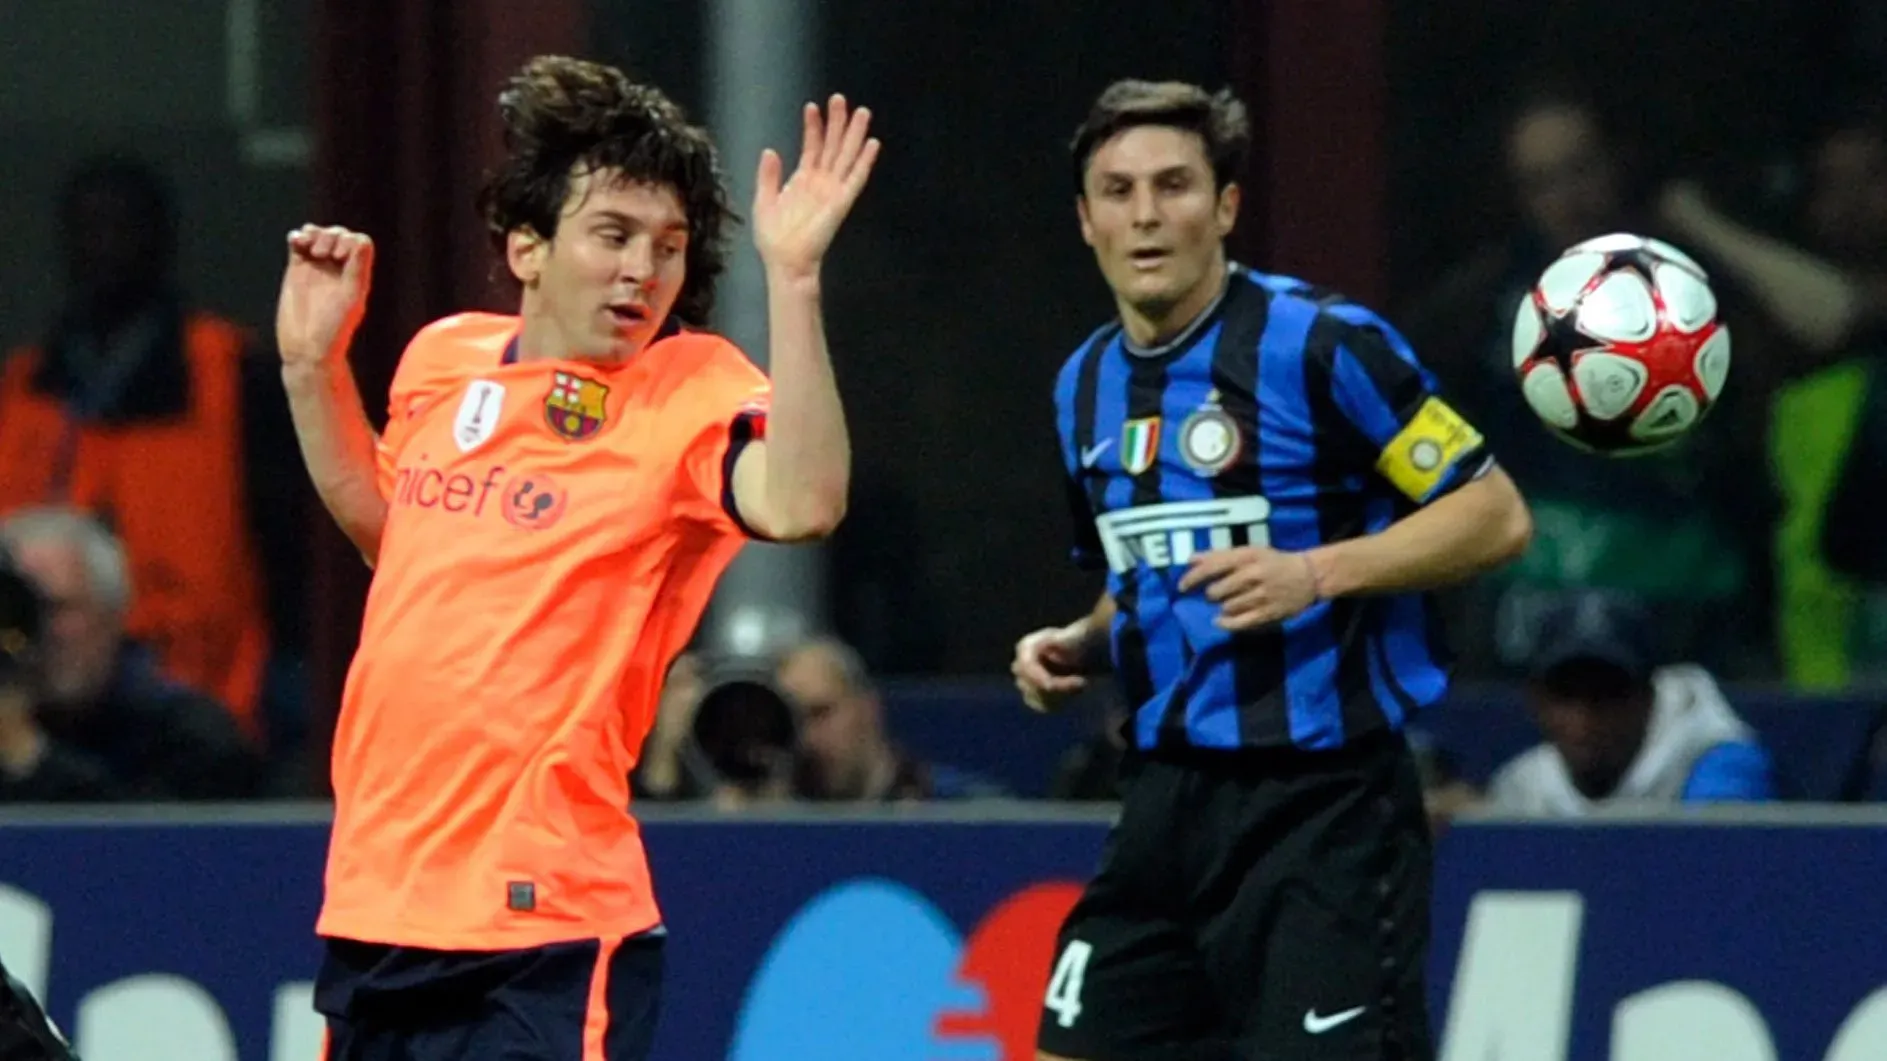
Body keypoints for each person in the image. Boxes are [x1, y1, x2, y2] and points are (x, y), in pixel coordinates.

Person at [275, 56, 878, 1060]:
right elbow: (399, 539)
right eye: (614, 234)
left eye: (670, 246)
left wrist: (797, 276)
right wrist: (310, 369)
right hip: (379, 896)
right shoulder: (444, 357)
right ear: (527, 246)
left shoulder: (686, 389)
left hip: (544, 922)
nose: (644, 269)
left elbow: (805, 500)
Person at [1011, 80, 1534, 1061]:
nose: (1147, 213)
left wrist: (1318, 572)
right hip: (1165, 801)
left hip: (1326, 806)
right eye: (1118, 191)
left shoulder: (1324, 344)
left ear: (1226, 206)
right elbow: (1147, 567)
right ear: (1086, 221)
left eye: (1174, 185)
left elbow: (1495, 513)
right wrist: (1082, 641)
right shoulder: (1081, 384)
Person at [1485, 591, 1778, 814]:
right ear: (1537, 701)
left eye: (1606, 695)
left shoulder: (1715, 761)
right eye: (1566, 695)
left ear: (1648, 698)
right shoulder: (1524, 785)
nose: (1584, 719)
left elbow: (1724, 858)